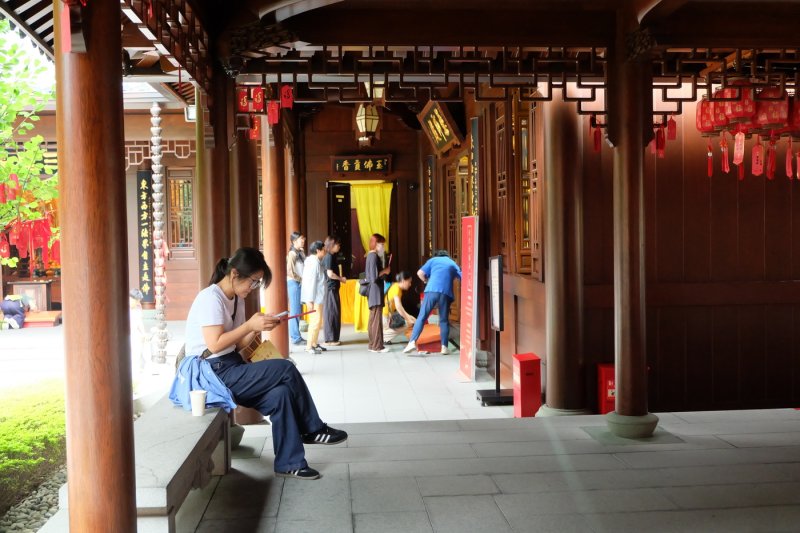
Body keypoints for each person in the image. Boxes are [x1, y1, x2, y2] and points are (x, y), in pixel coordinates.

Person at [173, 247, 347, 480]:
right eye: (253, 281)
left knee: (281, 394)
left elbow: (236, 345)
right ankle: (313, 429)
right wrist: (249, 326)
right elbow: (214, 345)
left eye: (257, 283)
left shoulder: (237, 299)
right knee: (286, 368)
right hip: (210, 375)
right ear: (235, 274)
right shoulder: (210, 298)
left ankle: (289, 463)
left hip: (230, 367)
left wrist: (258, 329)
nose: (253, 287)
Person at [403, 250, 462, 355]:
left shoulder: (433, 260)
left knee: (422, 316)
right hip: (446, 293)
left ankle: (412, 342)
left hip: (431, 291)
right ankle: (444, 347)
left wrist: (425, 281)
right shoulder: (452, 263)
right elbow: (462, 277)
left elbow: (420, 273)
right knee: (443, 320)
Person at [365, 233, 391, 353]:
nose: (383, 247)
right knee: (376, 320)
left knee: (373, 318)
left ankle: (372, 345)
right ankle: (377, 346)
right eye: (382, 244)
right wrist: (385, 271)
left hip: (373, 291)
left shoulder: (370, 256)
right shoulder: (373, 256)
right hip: (375, 290)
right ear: (376, 244)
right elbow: (374, 277)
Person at [301, 240, 327, 354]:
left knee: (317, 321)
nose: (325, 251)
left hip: (317, 297)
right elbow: (310, 282)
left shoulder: (315, 261)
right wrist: (309, 300)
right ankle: (309, 346)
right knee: (315, 322)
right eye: (323, 249)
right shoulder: (313, 263)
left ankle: (314, 343)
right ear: (318, 250)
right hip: (314, 298)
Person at [322, 235, 346, 346]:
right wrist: (341, 279)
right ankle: (330, 339)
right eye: (337, 244)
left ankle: (333, 338)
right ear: (331, 245)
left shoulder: (331, 256)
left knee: (334, 312)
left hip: (333, 288)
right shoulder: (329, 257)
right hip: (330, 288)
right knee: (331, 312)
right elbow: (330, 274)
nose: (339, 246)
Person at [383, 271, 416, 344]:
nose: (410, 284)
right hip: (384, 317)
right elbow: (399, 307)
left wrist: (410, 317)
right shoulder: (396, 288)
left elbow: (399, 307)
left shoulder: (395, 286)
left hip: (386, 316)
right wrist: (408, 319)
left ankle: (384, 334)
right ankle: (384, 337)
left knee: (412, 320)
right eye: (409, 282)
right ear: (403, 281)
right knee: (408, 323)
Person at [285, 231, 306, 346]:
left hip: (299, 283)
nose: (303, 240)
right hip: (294, 283)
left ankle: (297, 336)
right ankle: (295, 338)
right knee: (295, 310)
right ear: (294, 241)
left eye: (303, 238)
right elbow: (290, 271)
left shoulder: (300, 252)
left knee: (298, 310)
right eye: (300, 239)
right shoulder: (292, 254)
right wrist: (301, 279)